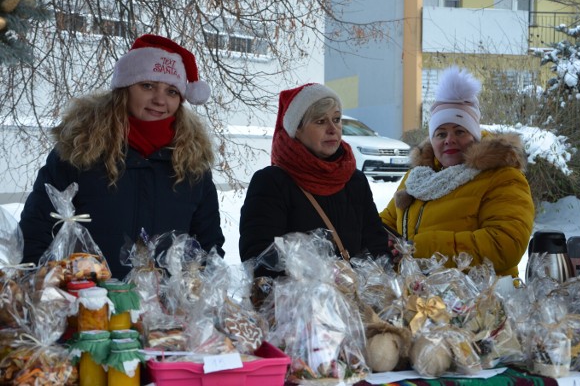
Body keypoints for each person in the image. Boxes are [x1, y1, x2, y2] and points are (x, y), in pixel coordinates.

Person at [19, 34, 225, 280]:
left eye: (171, 91)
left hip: (166, 313)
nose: (160, 100)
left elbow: (208, 246)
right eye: (147, 86)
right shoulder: (79, 149)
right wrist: (38, 290)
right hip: (87, 307)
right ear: (125, 89)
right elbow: (36, 229)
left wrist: (200, 298)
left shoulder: (193, 162)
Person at [380, 66, 534, 277]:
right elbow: (387, 223)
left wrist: (418, 249)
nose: (449, 140)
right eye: (441, 133)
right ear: (432, 140)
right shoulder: (418, 177)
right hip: (421, 299)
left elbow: (505, 244)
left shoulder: (503, 178)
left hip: (480, 301)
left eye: (459, 131)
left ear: (474, 135)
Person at [239, 83, 391, 277]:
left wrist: (374, 281)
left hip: (357, 301)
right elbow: (258, 256)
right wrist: (317, 286)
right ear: (297, 130)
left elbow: (376, 243)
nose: (332, 129)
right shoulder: (272, 182)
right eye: (320, 121)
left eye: (336, 120)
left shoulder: (354, 180)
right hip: (297, 303)